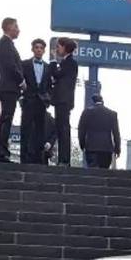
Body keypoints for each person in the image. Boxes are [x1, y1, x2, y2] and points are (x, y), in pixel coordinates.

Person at [0, 17, 25, 162]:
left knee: (6, 118)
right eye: (16, 26)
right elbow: (11, 66)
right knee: (6, 119)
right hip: (8, 87)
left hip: (8, 87)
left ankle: (2, 149)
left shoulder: (7, 44)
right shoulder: (5, 44)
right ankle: (2, 151)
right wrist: (22, 81)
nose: (18, 29)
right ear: (8, 27)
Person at [21, 38, 52, 164]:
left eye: (41, 48)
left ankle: (39, 159)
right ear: (32, 49)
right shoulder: (24, 64)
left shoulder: (48, 67)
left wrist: (48, 98)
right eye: (36, 47)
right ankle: (24, 159)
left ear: (44, 50)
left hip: (42, 102)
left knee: (41, 130)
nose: (39, 50)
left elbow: (50, 85)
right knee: (26, 129)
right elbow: (19, 80)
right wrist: (21, 98)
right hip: (28, 100)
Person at [49, 37, 79, 166]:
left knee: (63, 128)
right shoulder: (67, 63)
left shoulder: (69, 63)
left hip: (63, 100)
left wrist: (52, 60)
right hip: (62, 100)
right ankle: (63, 158)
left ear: (64, 47)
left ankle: (64, 159)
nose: (57, 49)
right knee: (61, 128)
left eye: (58, 47)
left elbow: (56, 74)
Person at [77, 94, 121, 169]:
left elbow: (81, 131)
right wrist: (117, 148)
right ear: (102, 101)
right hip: (107, 148)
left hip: (91, 147)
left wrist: (82, 144)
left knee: (93, 171)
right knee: (104, 171)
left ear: (93, 102)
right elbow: (116, 133)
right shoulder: (112, 114)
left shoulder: (86, 113)